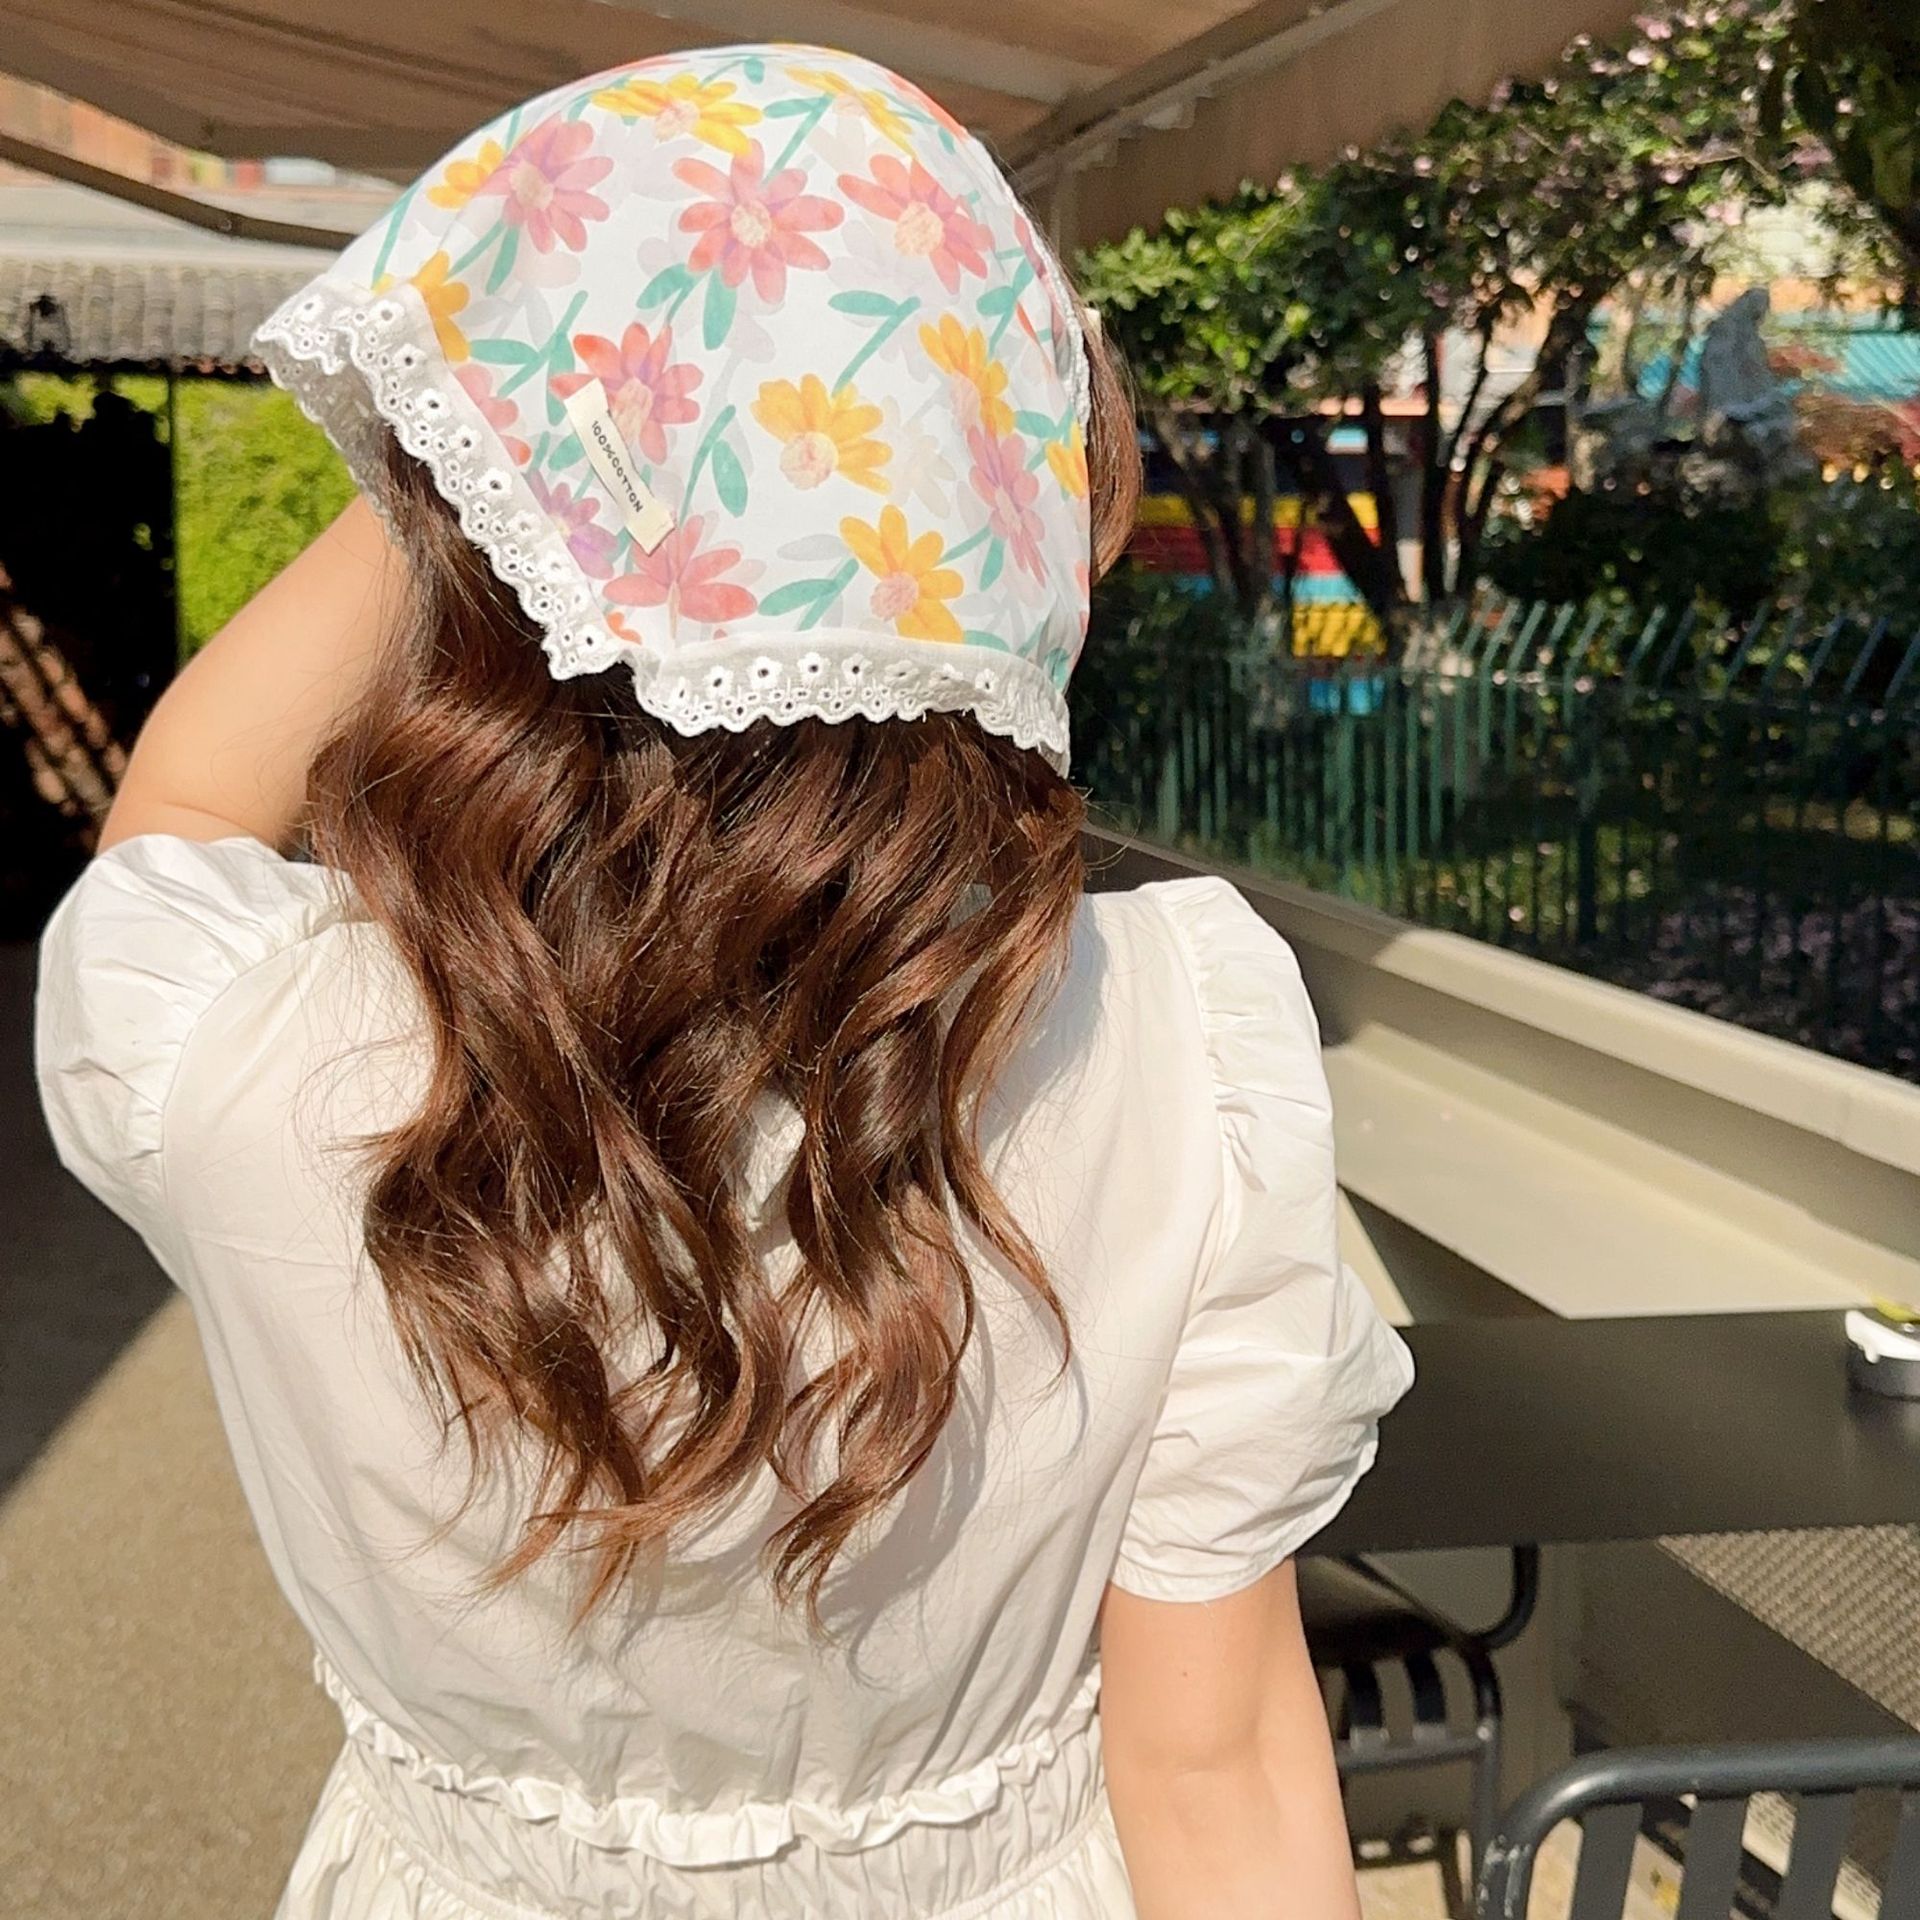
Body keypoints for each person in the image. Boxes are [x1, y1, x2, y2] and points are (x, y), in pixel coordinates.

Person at [33, 43, 1414, 1920]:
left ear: (469, 527)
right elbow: (1217, 1770)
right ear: (1008, 520)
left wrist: (494, 434)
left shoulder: (219, 1039)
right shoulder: (1181, 1052)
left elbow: (187, 802)